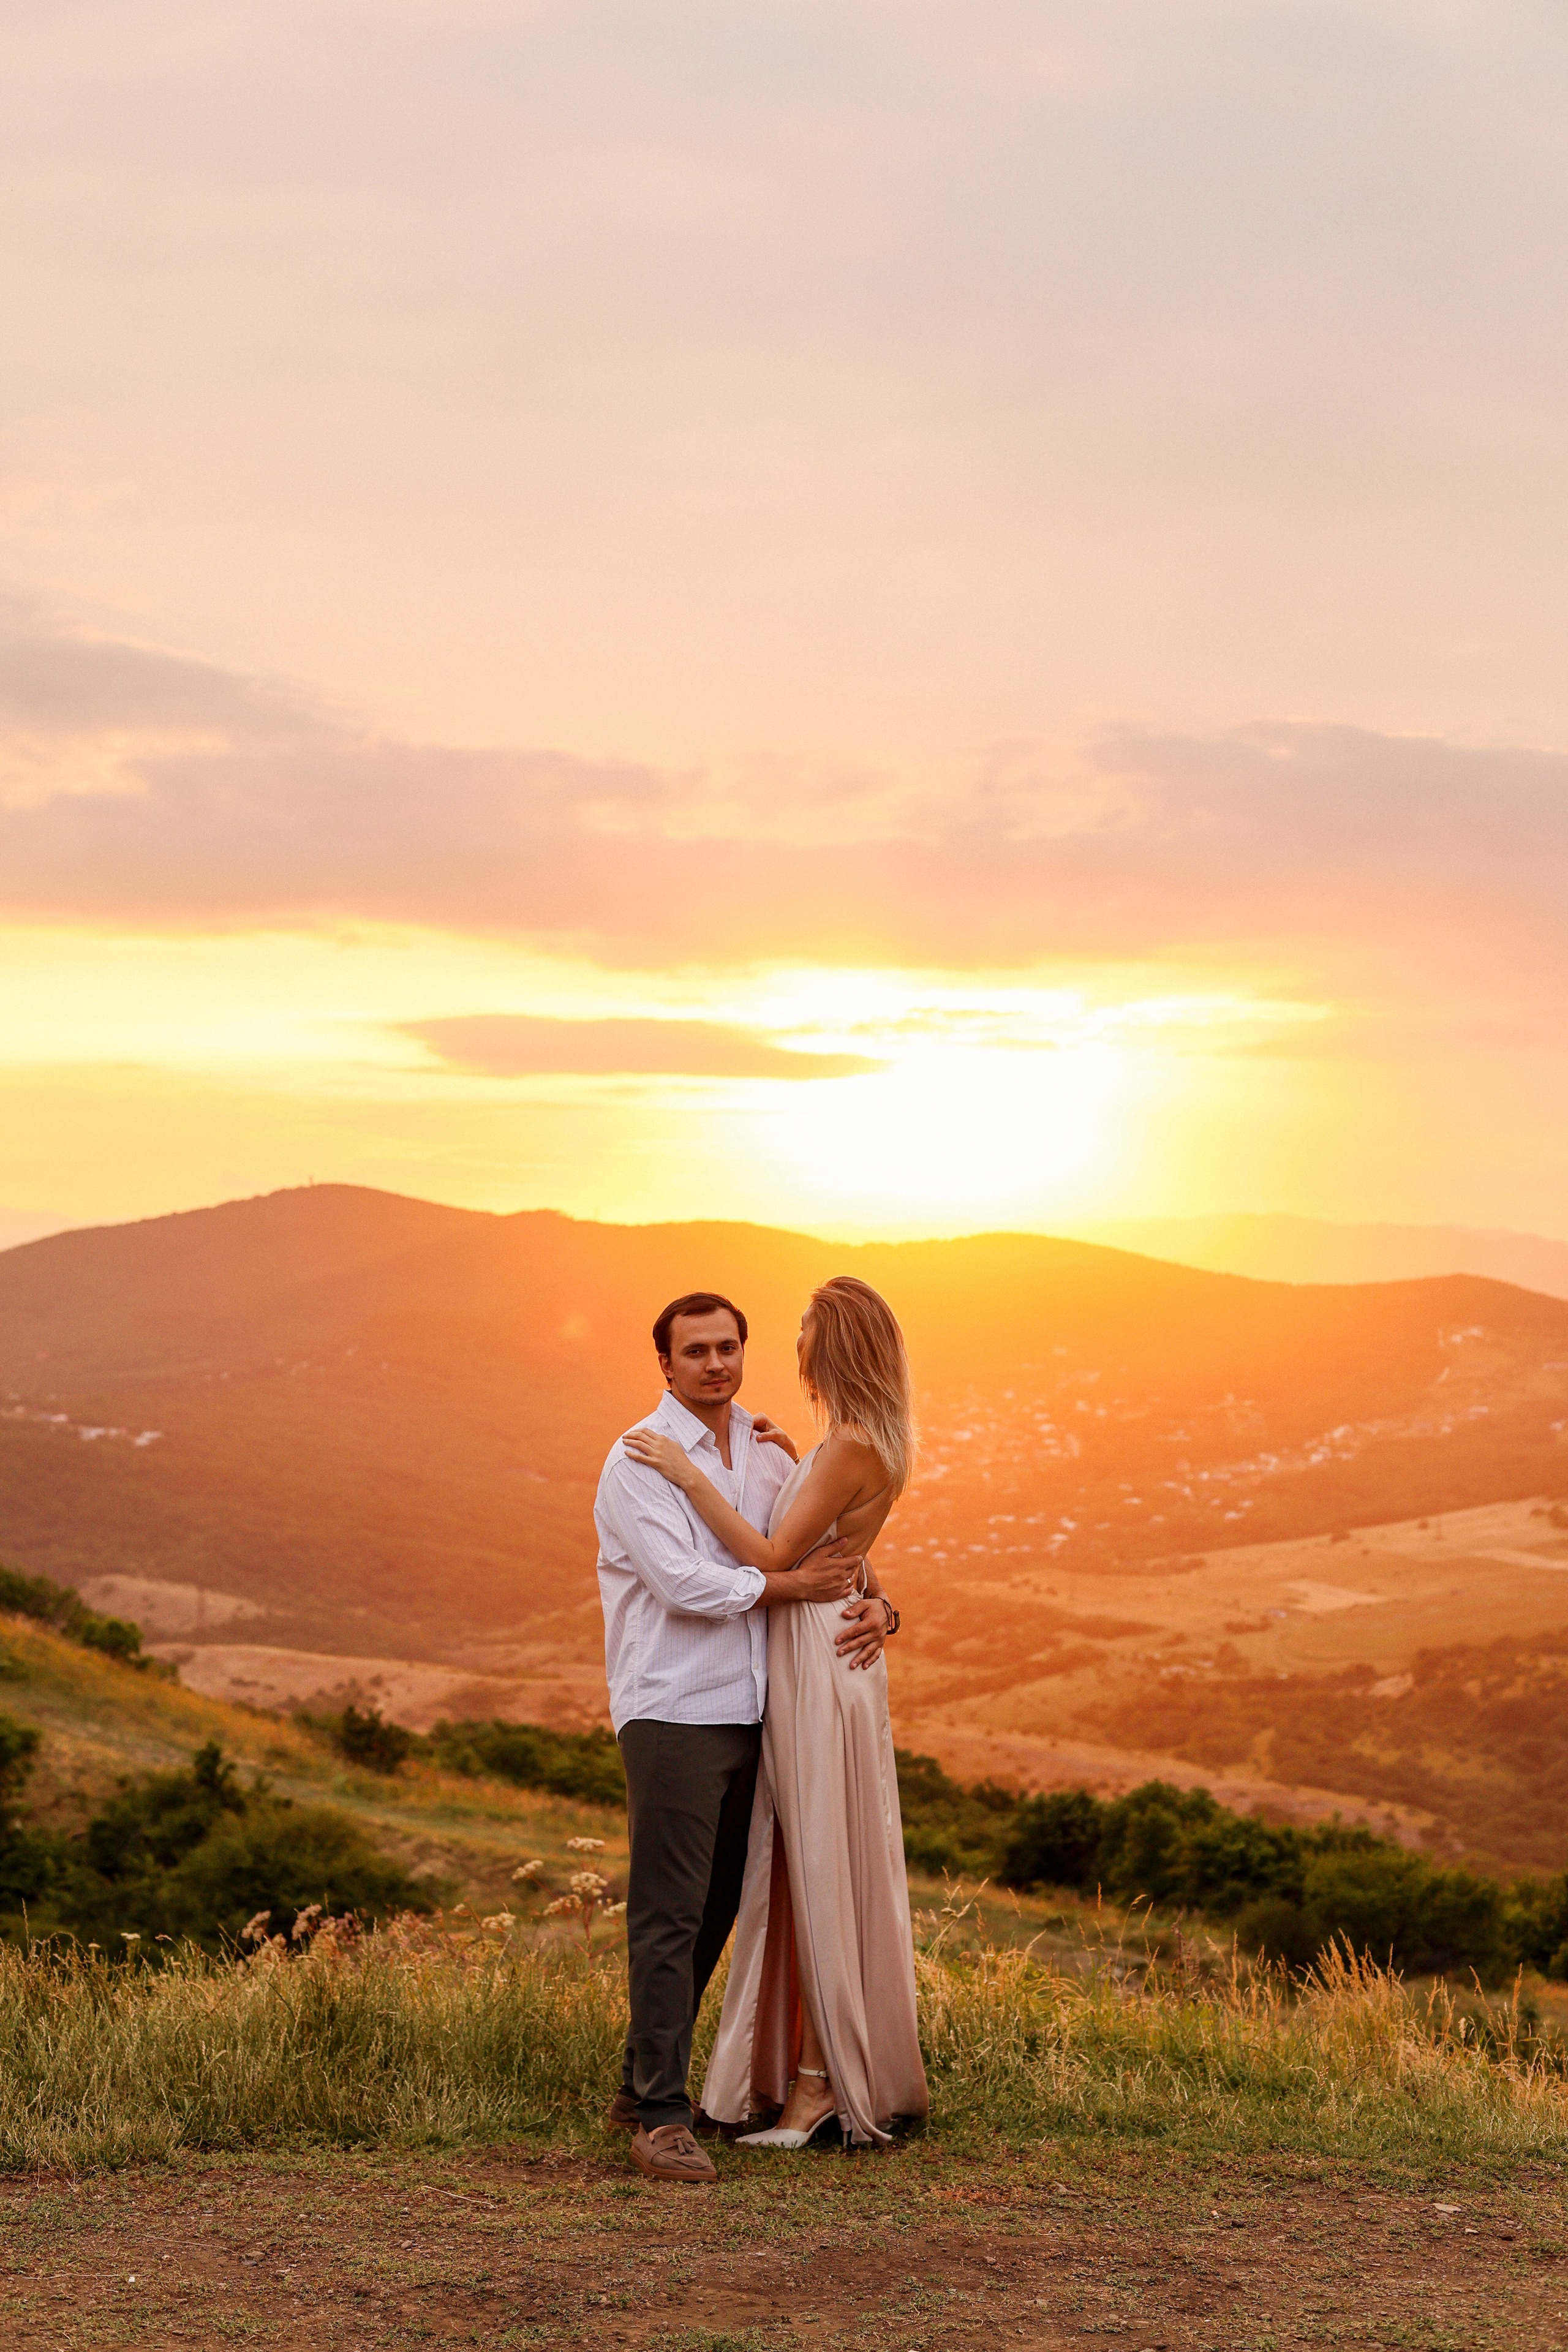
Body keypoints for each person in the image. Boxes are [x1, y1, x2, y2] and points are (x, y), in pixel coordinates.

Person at [621, 1274, 928, 2151]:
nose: (790, 1348)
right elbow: (836, 1550)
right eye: (699, 1350)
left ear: (828, 1346)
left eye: (800, 1332)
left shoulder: (843, 1448)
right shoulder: (834, 1445)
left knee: (819, 1860)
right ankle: (794, 2075)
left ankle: (822, 2082)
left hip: (813, 1665)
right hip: (780, 1671)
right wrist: (872, 1594)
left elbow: (772, 1556)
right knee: (800, 1862)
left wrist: (690, 1474)